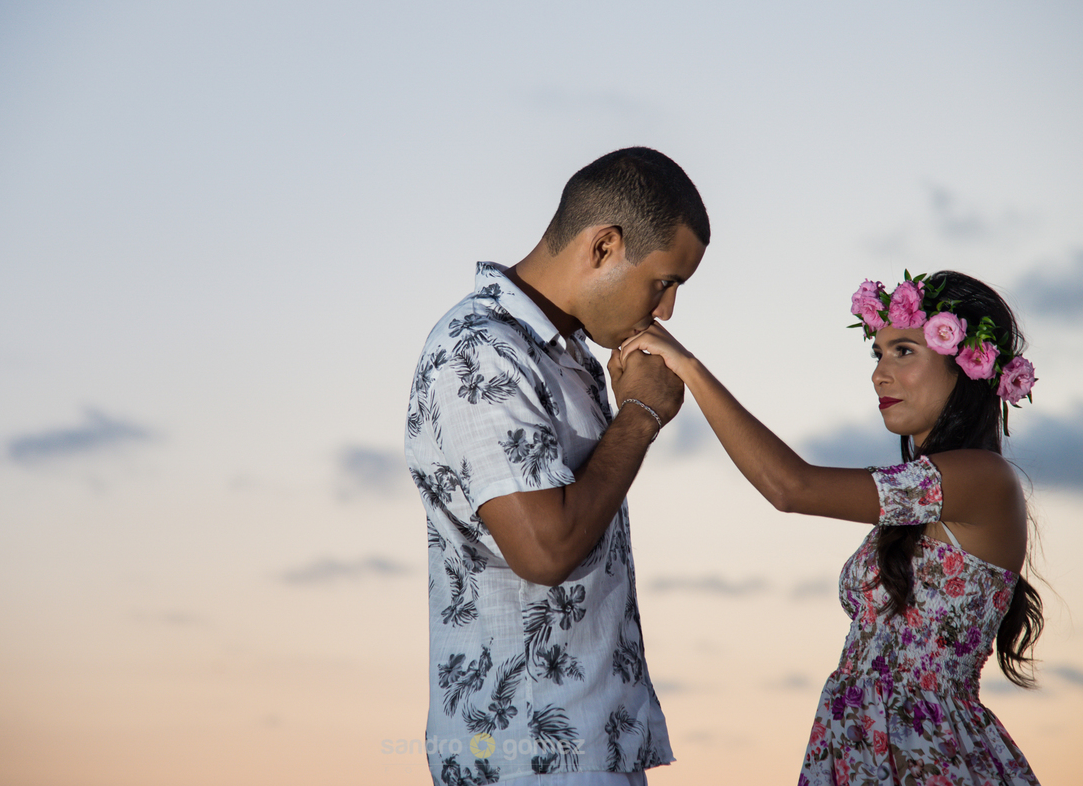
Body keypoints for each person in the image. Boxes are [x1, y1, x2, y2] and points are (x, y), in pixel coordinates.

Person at [616, 271, 1043, 784]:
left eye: (903, 351)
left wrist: (688, 367)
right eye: (878, 354)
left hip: (930, 757)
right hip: (856, 744)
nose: (879, 374)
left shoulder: (986, 478)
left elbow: (791, 487)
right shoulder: (922, 499)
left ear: (968, 363)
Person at [404, 147, 710, 785]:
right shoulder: (479, 352)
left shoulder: (560, 353)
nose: (669, 308)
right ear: (603, 247)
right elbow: (545, 552)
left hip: (590, 746)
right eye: (664, 281)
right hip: (525, 756)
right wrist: (639, 417)